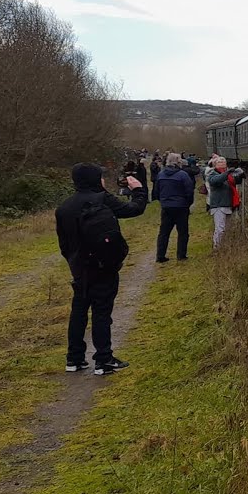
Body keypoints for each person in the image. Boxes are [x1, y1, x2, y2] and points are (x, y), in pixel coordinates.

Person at [55, 163, 147, 375]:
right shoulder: (103, 200)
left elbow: (63, 244)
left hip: (79, 268)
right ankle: (104, 359)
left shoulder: (64, 208)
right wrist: (138, 190)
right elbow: (135, 209)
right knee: (102, 312)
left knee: (78, 312)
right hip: (103, 266)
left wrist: (74, 262)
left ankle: (74, 359)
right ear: (95, 180)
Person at [152, 153, 195, 262]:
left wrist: (163, 201)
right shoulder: (183, 175)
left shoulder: (161, 175)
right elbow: (189, 191)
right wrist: (188, 203)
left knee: (164, 232)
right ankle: (181, 255)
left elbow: (156, 191)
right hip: (181, 207)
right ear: (179, 162)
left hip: (166, 207)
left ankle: (160, 256)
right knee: (183, 232)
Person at [204, 157, 244, 249]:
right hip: (218, 205)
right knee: (220, 229)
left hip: (228, 204)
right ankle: (217, 247)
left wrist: (239, 175)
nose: (222, 165)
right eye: (219, 163)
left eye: (223, 163)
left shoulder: (228, 175)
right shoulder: (212, 174)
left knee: (227, 228)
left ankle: (225, 246)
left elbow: (234, 181)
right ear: (215, 165)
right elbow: (216, 180)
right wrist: (227, 173)